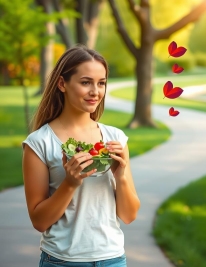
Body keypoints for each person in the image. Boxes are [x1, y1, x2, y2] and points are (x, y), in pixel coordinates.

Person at [22, 45, 141, 267]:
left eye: (101, 83)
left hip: (112, 259)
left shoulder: (115, 139)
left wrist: (121, 175)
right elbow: (39, 221)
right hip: (61, 261)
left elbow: (129, 215)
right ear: (62, 84)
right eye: (86, 82)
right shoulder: (39, 143)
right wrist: (70, 183)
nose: (95, 91)